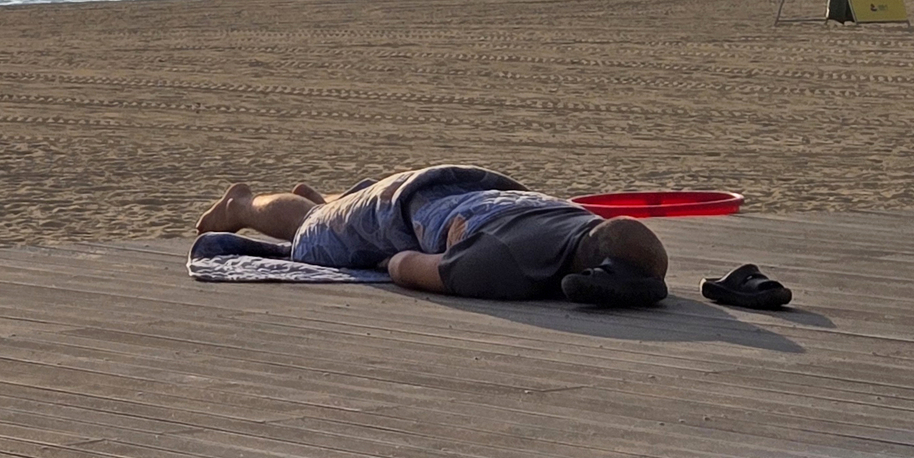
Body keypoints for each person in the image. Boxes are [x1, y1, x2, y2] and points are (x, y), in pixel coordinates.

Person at [196, 166, 668, 306]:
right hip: (397, 209)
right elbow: (407, 266)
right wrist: (391, 262)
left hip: (479, 186)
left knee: (333, 215)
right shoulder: (504, 263)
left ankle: (334, 204)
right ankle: (242, 203)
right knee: (310, 234)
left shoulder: (581, 219)